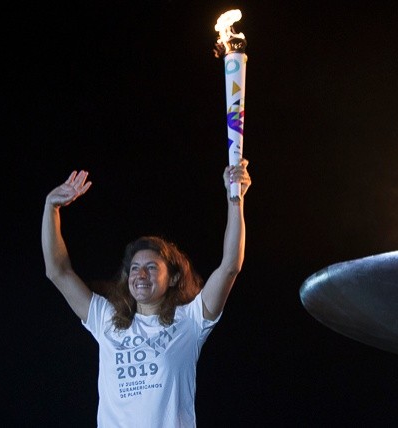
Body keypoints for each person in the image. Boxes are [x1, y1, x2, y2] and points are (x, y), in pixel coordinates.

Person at [41, 160, 251, 427]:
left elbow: (230, 267)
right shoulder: (105, 320)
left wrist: (236, 201)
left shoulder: (190, 322)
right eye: (135, 268)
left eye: (152, 268)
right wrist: (51, 208)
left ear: (173, 277)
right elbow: (57, 272)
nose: (140, 275)